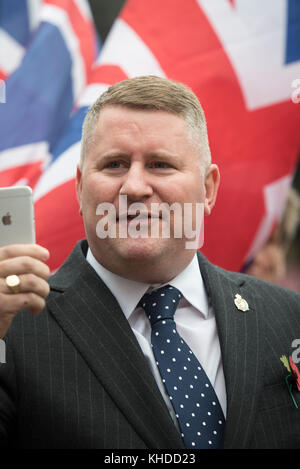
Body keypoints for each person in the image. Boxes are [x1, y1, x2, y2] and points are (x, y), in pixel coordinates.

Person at [0, 76, 300, 449]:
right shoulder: (12, 327)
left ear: (207, 189)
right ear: (79, 188)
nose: (135, 187)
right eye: (114, 164)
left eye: (159, 164)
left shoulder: (288, 317)